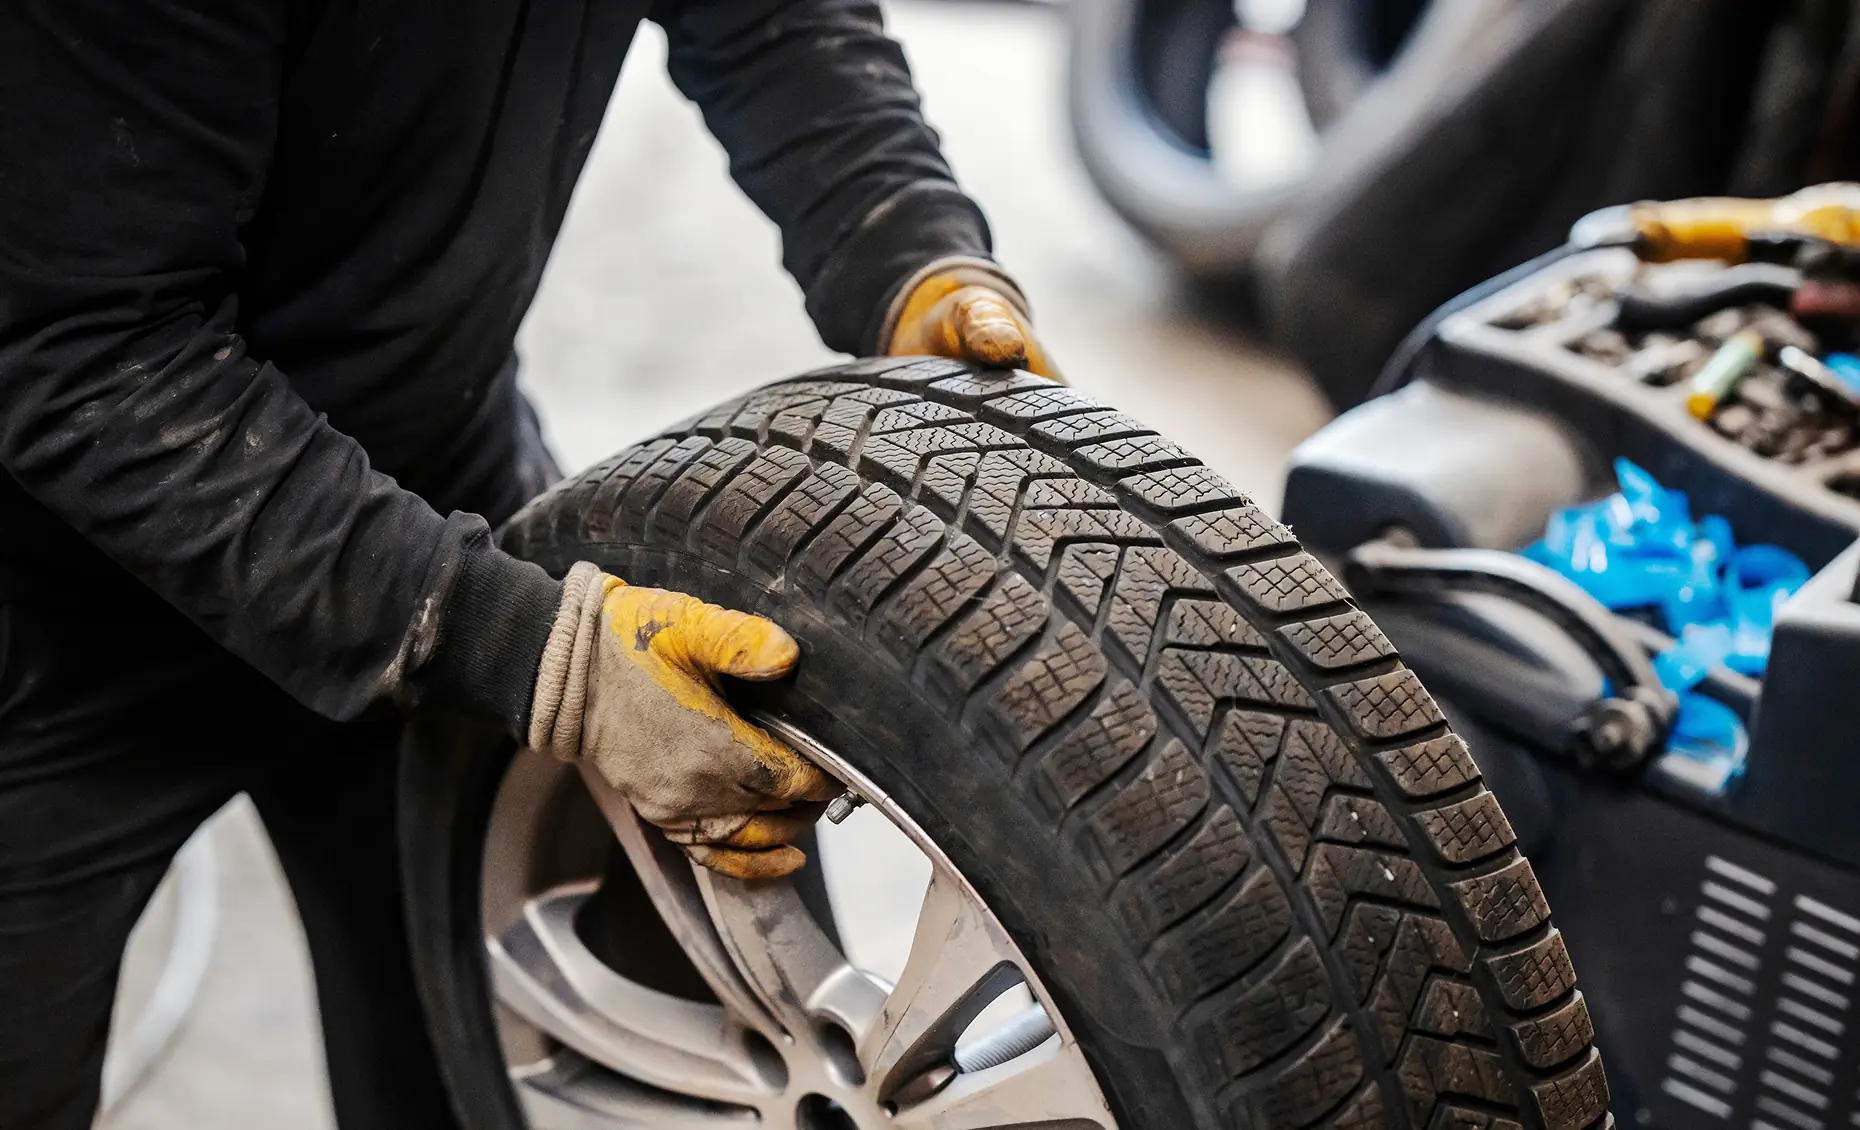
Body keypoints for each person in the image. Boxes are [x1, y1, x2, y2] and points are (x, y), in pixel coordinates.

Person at [0, 0, 1055, 1125]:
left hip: (423, 471)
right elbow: (85, 358)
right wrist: (527, 649)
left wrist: (909, 249)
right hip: (54, 600)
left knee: (492, 1074)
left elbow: (768, 21)